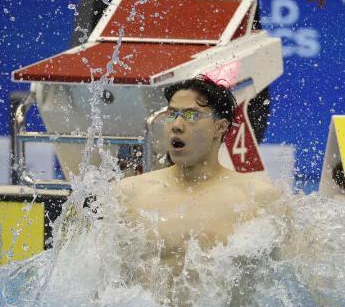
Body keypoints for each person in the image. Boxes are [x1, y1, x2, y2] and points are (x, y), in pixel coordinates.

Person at [116, 76, 279, 277]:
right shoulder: (130, 193)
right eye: (172, 114)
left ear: (220, 127)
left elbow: (294, 279)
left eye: (191, 116)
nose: (176, 125)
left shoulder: (257, 197)